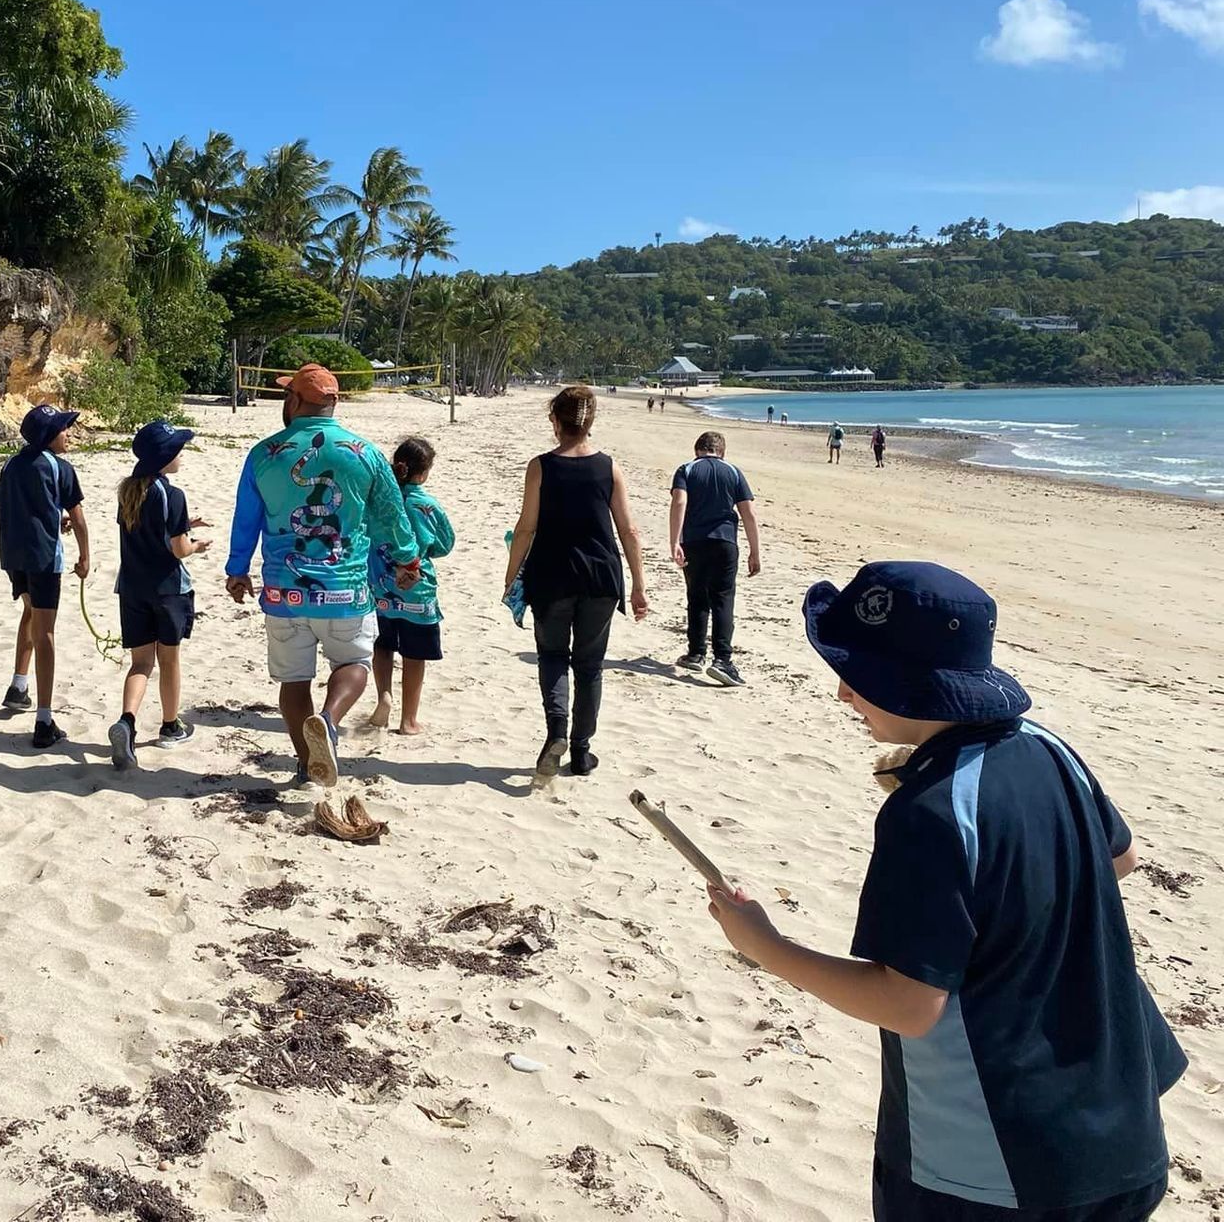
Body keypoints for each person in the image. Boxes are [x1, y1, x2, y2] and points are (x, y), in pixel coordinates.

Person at [706, 562, 1184, 1222]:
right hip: (1121, 1127)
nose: (845, 693)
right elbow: (1121, 858)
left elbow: (908, 1005)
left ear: (914, 685)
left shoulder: (928, 812)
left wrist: (766, 946)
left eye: (861, 675)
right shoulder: (1050, 749)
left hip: (991, 1167)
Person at [225, 363, 421, 788]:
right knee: (354, 663)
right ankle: (329, 723)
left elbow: (247, 519)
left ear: (295, 400)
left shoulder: (263, 454)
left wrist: (237, 570)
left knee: (294, 682)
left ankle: (306, 764)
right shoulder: (365, 453)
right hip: (345, 590)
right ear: (334, 403)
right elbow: (391, 517)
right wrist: (407, 560)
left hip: (284, 592)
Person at [501, 385, 649, 783]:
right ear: (590, 422)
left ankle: (556, 732)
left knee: (552, 657)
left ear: (555, 421)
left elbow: (526, 527)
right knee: (590, 666)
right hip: (601, 577)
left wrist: (512, 573)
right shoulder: (609, 467)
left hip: (551, 575)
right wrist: (638, 584)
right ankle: (581, 752)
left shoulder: (541, 466)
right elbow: (629, 530)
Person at [107, 420, 211, 772]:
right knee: (169, 660)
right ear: (164, 457)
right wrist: (196, 545)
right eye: (176, 449)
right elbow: (178, 549)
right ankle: (170, 725)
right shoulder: (172, 493)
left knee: (140, 664)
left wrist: (185, 524)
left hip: (132, 587)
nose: (180, 454)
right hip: (168, 589)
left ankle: (127, 722)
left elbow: (148, 530)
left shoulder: (129, 491)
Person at [0, 403, 90, 748]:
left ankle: (18, 686)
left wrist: (48, 520)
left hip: (14, 554)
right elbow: (77, 518)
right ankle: (44, 720)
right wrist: (85, 557)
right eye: (64, 429)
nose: (68, 433)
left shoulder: (12, 464)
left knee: (30, 613)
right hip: (44, 558)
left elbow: (8, 503)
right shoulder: (60, 468)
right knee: (46, 630)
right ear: (50, 436)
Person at [369, 437, 455, 735]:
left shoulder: (380, 500)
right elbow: (445, 543)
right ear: (424, 472)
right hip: (416, 589)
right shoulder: (425, 504)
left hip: (379, 585)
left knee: (382, 644)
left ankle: (383, 696)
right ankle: (408, 720)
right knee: (414, 654)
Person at [668, 431, 762, 687]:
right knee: (723, 598)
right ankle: (722, 659)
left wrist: (674, 541)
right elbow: (748, 513)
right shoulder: (732, 471)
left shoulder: (686, 469)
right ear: (722, 451)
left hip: (694, 541)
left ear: (697, 449)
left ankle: (696, 653)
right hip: (725, 541)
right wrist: (755, 550)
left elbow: (679, 502)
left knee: (697, 596)